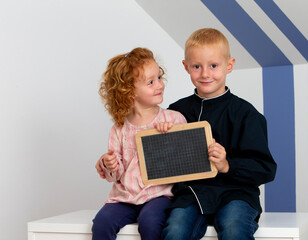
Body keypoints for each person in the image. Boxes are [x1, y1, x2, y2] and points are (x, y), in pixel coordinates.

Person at [96, 28, 277, 240]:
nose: (205, 74)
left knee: (233, 227)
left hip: (236, 195)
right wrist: (110, 163)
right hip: (191, 196)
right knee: (175, 229)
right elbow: (151, 159)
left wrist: (227, 164)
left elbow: (266, 169)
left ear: (229, 66)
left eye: (214, 66)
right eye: (197, 66)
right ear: (186, 67)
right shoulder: (174, 113)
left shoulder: (246, 114)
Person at [92, 47, 187, 240]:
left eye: (159, 78)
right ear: (129, 92)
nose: (159, 85)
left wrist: (169, 137)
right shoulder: (119, 129)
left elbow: (184, 161)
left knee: (150, 222)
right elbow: (115, 175)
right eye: (150, 82)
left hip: (158, 196)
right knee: (101, 223)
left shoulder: (173, 119)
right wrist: (109, 163)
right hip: (124, 197)